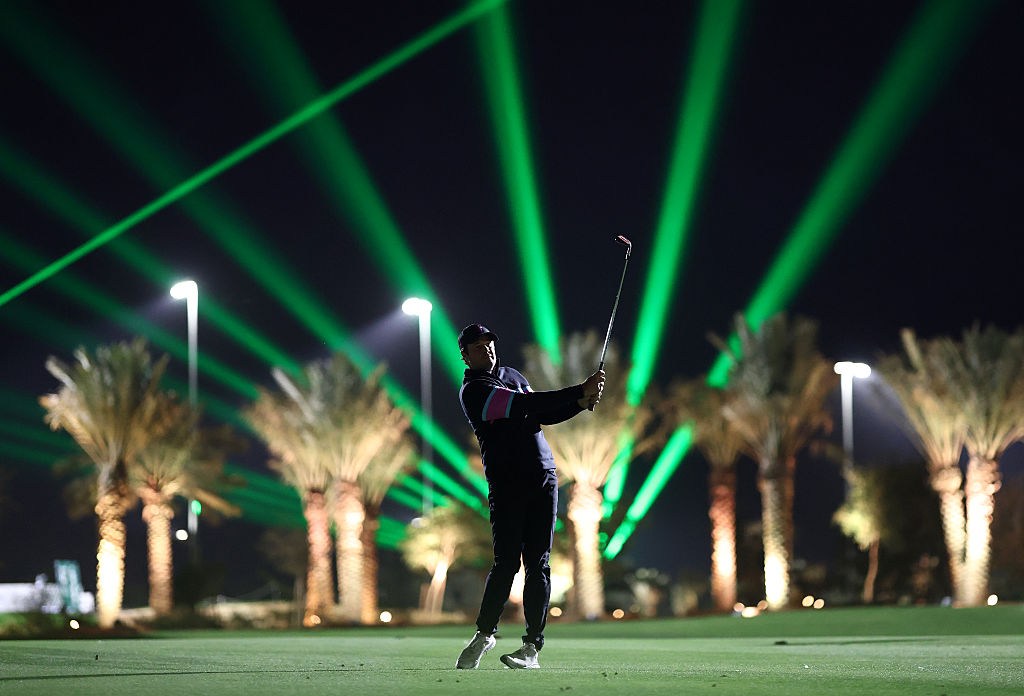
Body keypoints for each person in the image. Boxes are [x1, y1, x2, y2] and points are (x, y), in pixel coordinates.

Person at [454, 323, 605, 670]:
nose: (486, 349)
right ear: (465, 354)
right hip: (507, 484)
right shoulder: (475, 391)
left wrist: (581, 403)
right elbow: (525, 404)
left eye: (489, 343)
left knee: (538, 563)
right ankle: (484, 634)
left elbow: (541, 413)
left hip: (543, 477)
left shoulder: (511, 374)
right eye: (477, 346)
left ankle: (531, 649)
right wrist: (577, 389)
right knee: (506, 562)